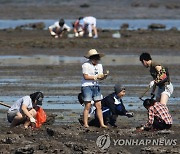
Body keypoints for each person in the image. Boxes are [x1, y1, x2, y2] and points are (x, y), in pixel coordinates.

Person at [81, 49, 108, 128]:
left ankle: (102, 124)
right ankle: (85, 123)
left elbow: (100, 77)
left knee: (99, 105)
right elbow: (86, 77)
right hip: (87, 86)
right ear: (90, 58)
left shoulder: (99, 66)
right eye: (94, 58)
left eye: (97, 59)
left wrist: (103, 77)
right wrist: (96, 77)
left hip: (96, 86)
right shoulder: (85, 65)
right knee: (88, 105)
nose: (96, 60)